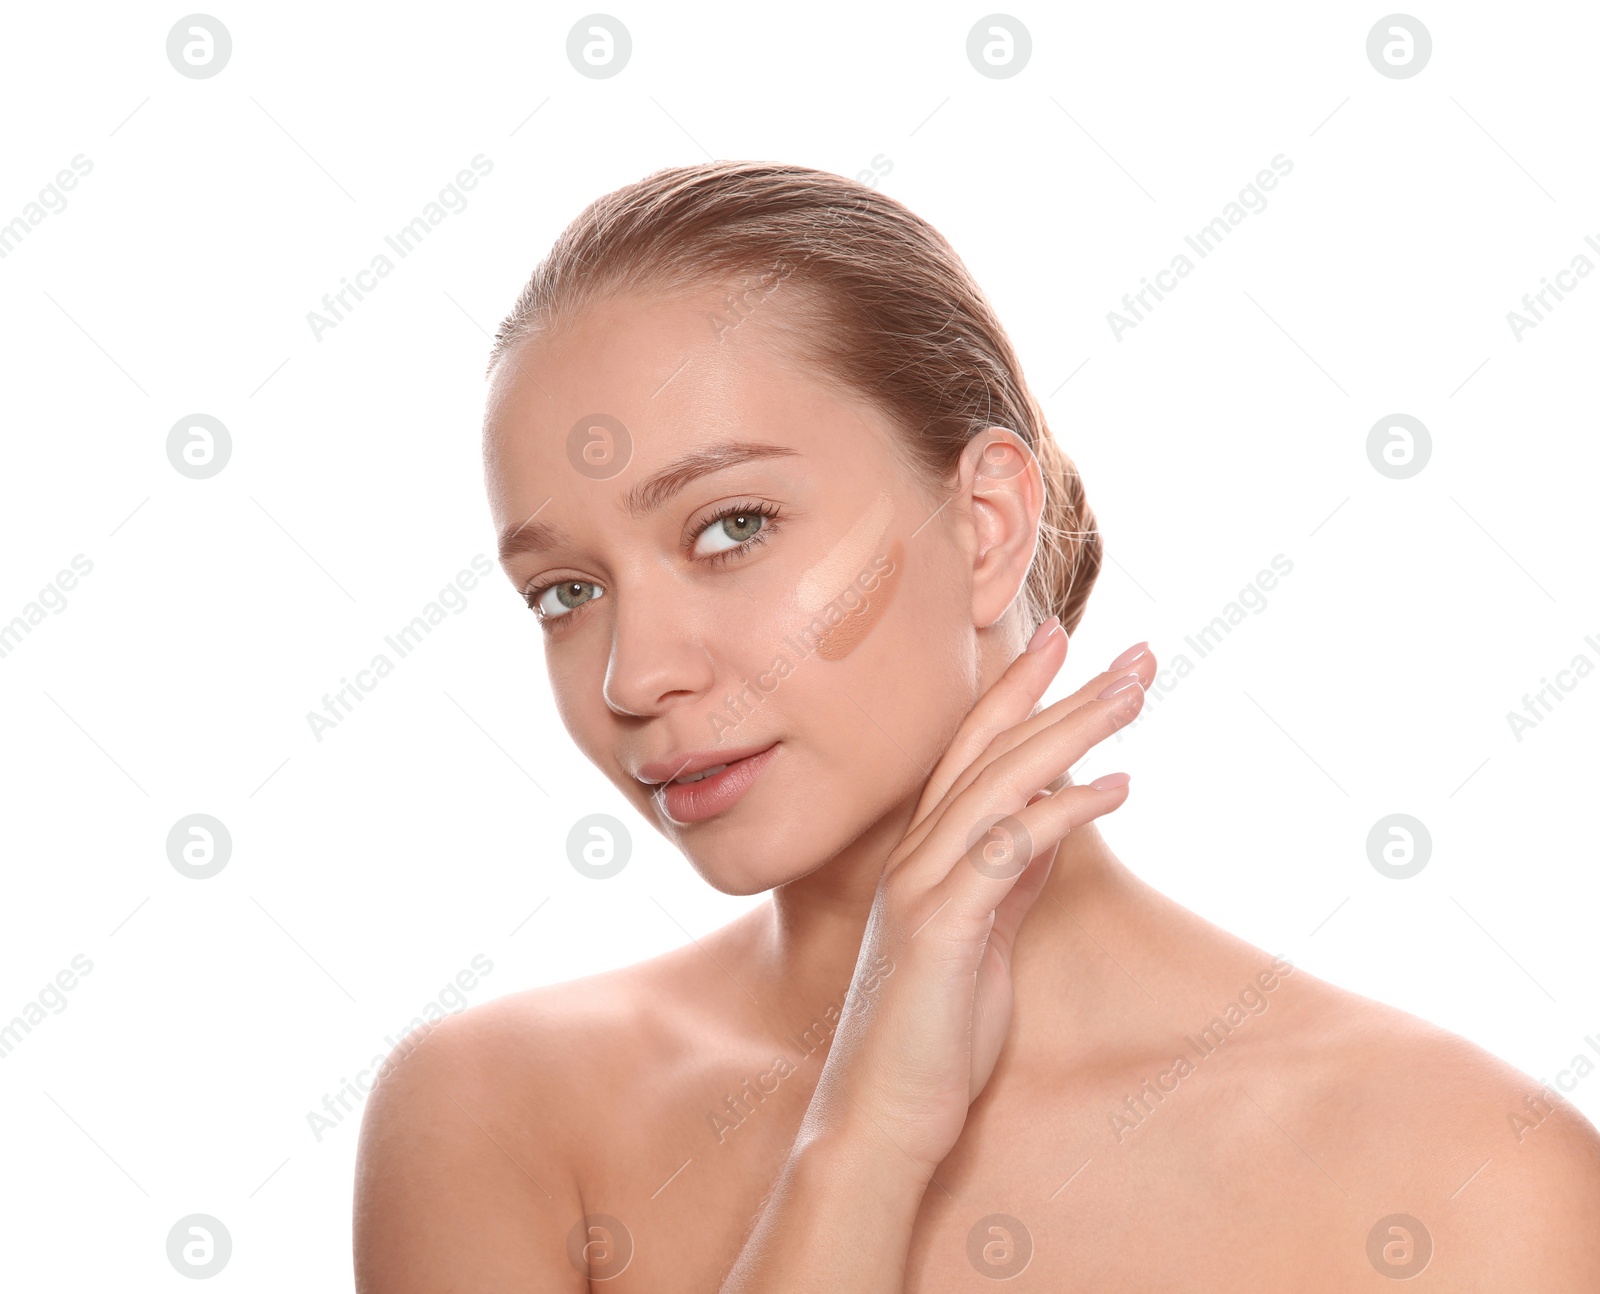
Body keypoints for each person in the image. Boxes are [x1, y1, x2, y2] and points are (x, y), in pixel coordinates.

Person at [352, 161, 1600, 1291]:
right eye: (565, 593)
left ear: (988, 523)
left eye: (730, 527)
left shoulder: (1468, 1179)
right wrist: (864, 1144)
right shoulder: (493, 1118)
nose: (632, 673)